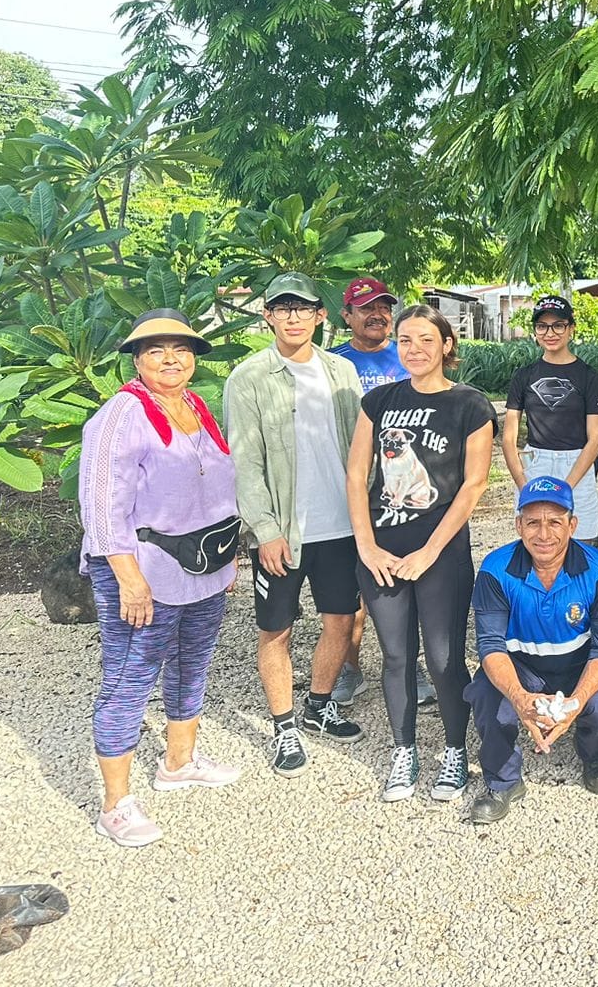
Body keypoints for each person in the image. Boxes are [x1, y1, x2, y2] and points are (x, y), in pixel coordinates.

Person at [79, 309, 241, 846]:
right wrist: (127, 578)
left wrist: (226, 560)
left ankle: (179, 761)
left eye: (180, 348)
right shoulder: (121, 415)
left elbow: (214, 488)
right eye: (156, 350)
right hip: (142, 570)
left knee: (192, 664)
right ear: (137, 359)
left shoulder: (195, 405)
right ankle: (115, 803)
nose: (171, 359)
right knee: (129, 679)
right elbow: (103, 504)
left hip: (201, 565)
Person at [347, 304, 496, 802]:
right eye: (406, 340)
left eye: (426, 340)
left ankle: (454, 751)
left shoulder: (471, 405)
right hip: (382, 551)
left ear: (447, 345)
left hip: (441, 553)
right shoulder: (379, 402)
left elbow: (474, 485)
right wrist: (366, 546)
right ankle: (404, 750)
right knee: (395, 656)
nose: (414, 350)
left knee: (444, 657)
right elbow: (355, 477)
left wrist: (430, 552)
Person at [224, 272, 366, 776]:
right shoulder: (248, 378)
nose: (293, 316)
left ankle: (318, 704)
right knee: (276, 630)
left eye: (302, 307)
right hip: (284, 530)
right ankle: (283, 726)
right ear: (267, 315)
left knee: (341, 622)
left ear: (320, 315)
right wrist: (264, 529)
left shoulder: (341, 371)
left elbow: (359, 446)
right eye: (282, 307)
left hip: (342, 528)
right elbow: (245, 461)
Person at [466, 476, 598, 823]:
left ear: (572, 524)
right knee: (487, 695)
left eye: (555, 522)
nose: (544, 534)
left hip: (579, 663)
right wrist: (520, 697)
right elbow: (491, 646)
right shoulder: (495, 570)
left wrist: (576, 702)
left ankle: (593, 750)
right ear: (518, 525)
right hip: (521, 664)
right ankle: (503, 778)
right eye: (533, 522)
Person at [325, 276, 437, 714]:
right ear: (346, 315)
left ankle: (414, 666)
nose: (378, 315)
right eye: (366, 307)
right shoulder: (332, 364)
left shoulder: (409, 358)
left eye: (385, 307)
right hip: (350, 488)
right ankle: (351, 667)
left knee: (411, 583)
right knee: (350, 590)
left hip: (401, 491)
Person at [502, 294, 598, 540]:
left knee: (582, 542)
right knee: (536, 541)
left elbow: (595, 437)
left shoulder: (588, 376)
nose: (550, 333)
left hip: (576, 464)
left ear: (571, 328)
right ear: (535, 331)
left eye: (558, 325)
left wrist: (568, 485)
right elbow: (509, 438)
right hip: (535, 462)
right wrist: (521, 481)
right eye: (542, 326)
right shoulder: (524, 376)